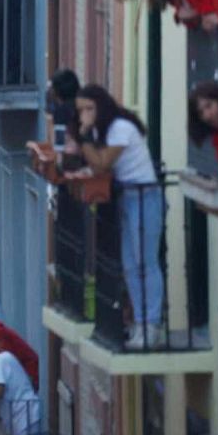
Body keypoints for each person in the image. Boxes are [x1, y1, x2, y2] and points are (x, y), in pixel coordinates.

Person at [69, 85, 164, 348]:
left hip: (144, 196)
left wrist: (85, 135)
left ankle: (152, 323)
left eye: (89, 108)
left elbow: (102, 164)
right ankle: (140, 323)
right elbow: (95, 165)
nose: (85, 115)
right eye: (80, 111)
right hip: (127, 198)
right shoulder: (102, 131)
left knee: (146, 261)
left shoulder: (120, 127)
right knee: (130, 265)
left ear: (102, 106)